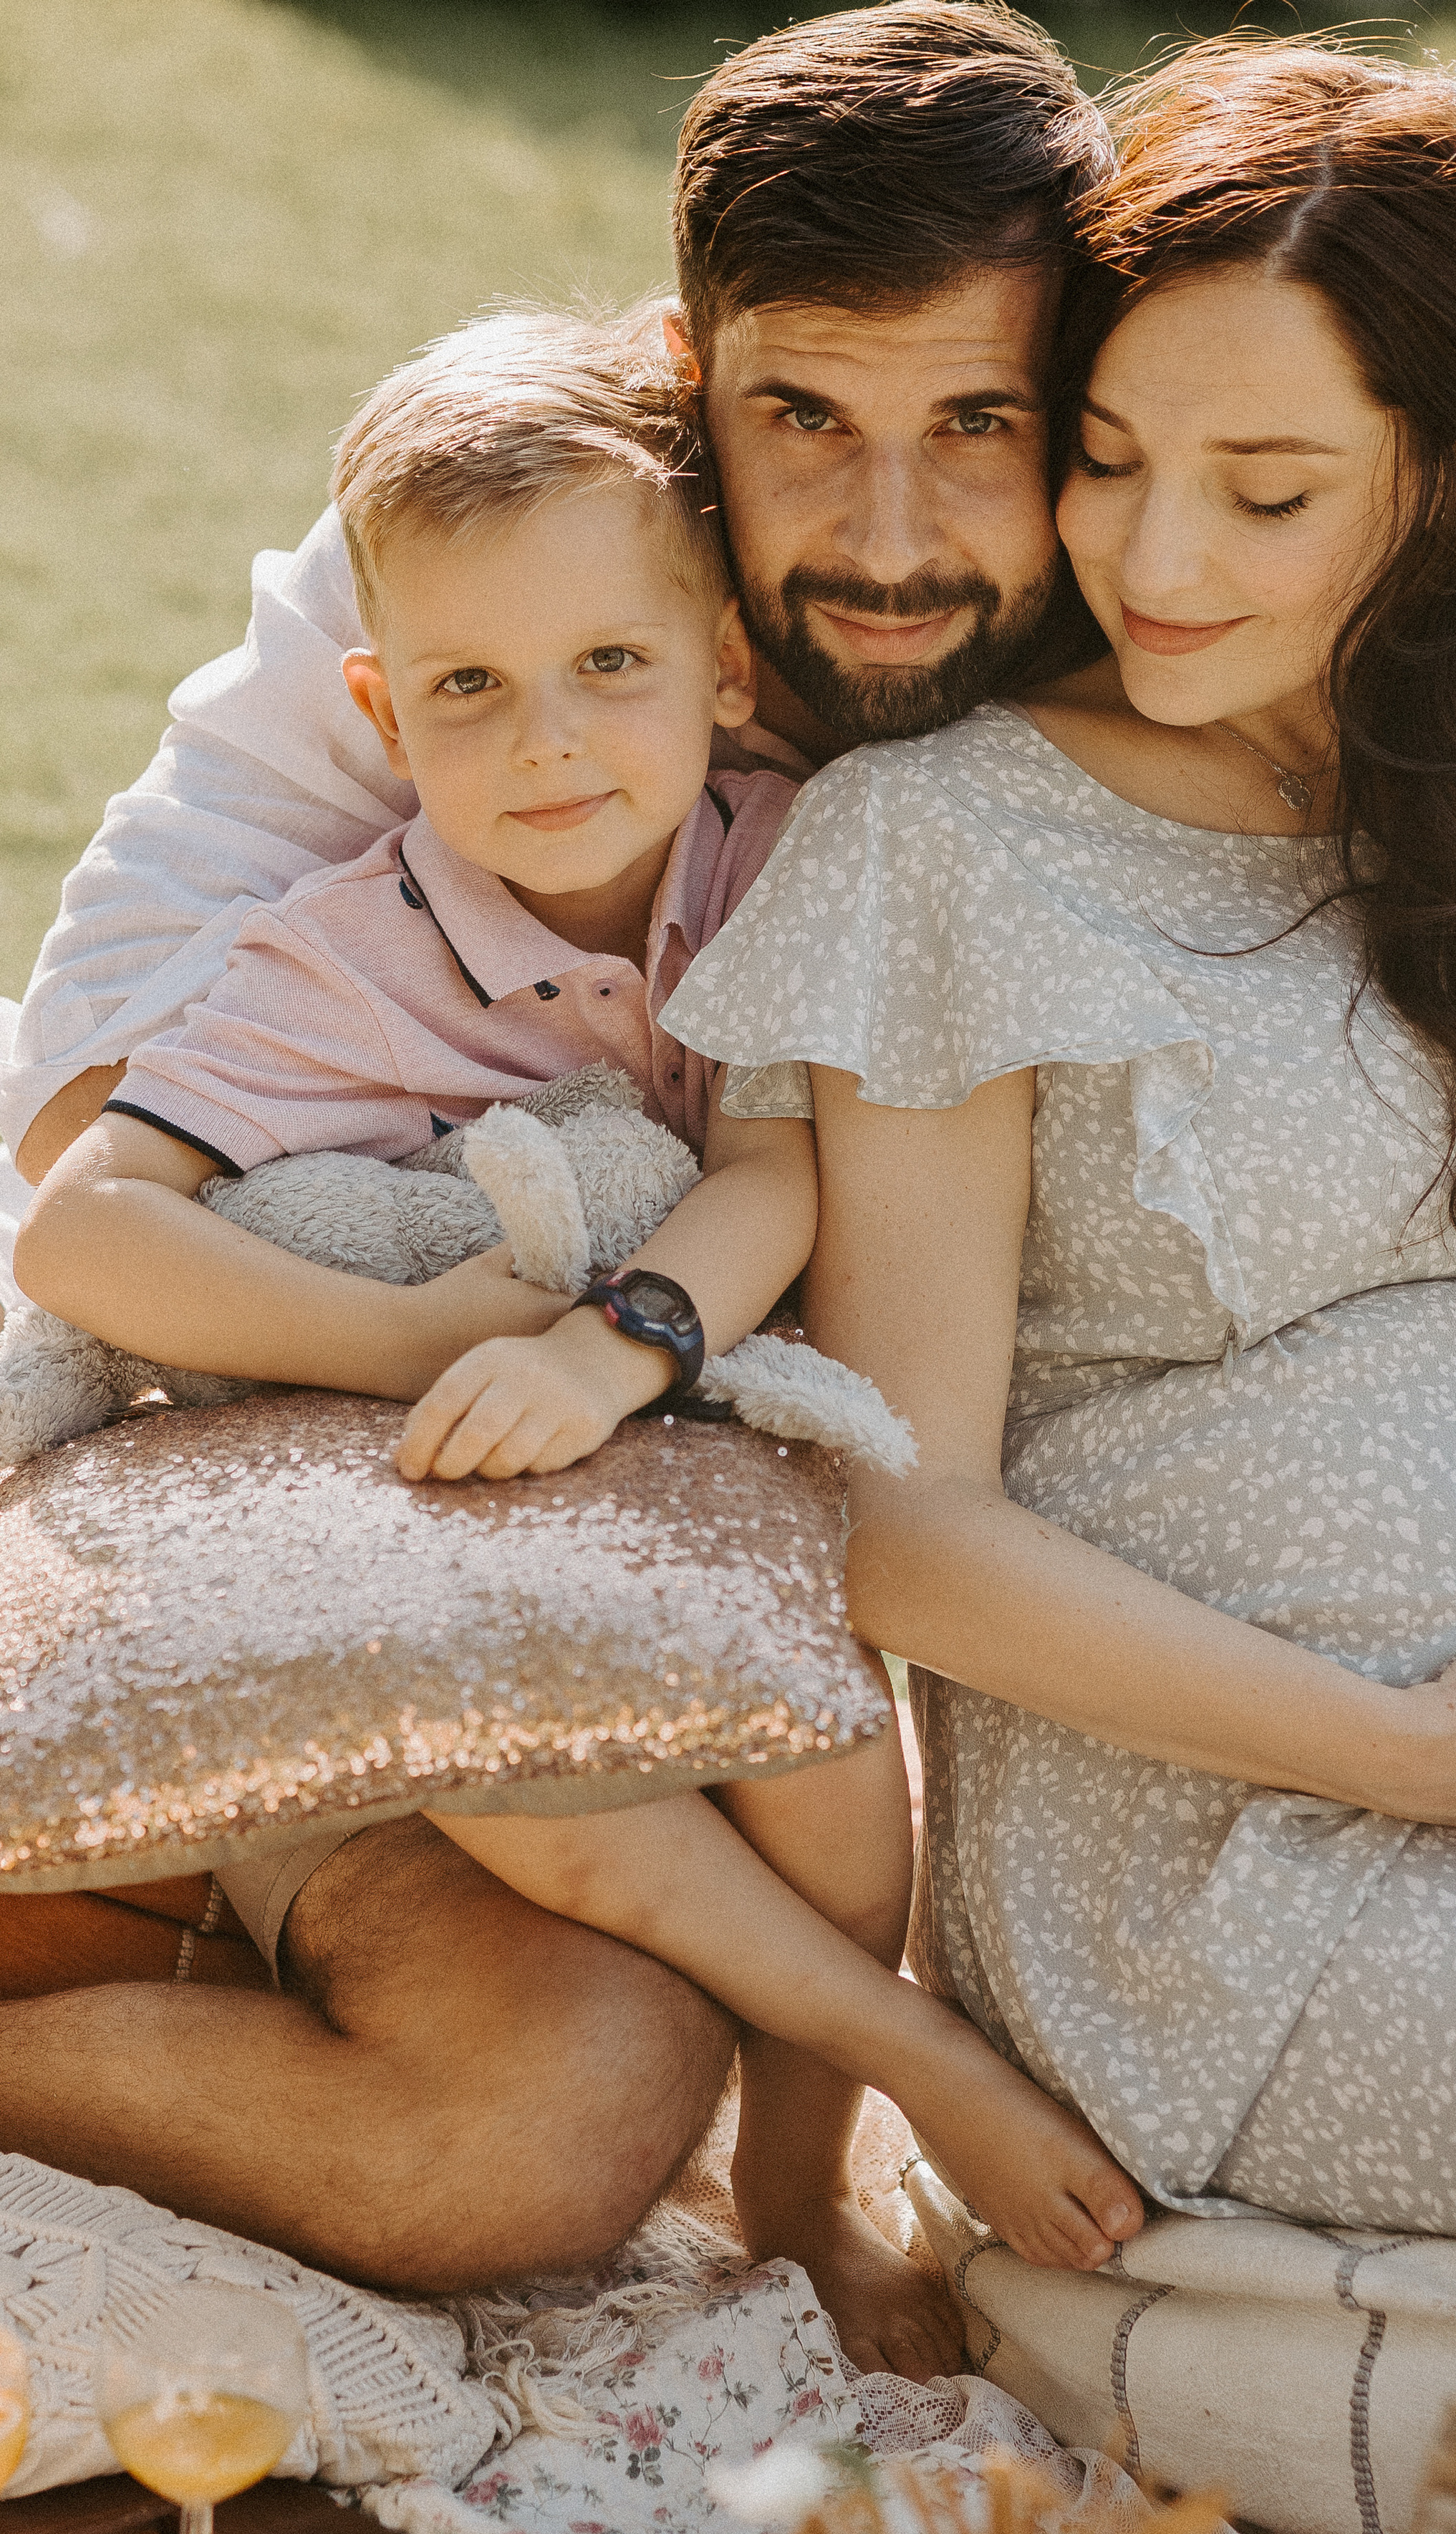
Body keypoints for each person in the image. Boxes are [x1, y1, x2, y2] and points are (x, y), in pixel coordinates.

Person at [660, 39, 1456, 2367]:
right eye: (1106, 460)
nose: (1158, 559)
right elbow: (899, 1523)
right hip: (1247, 1884)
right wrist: (1414, 1752)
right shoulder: (949, 846)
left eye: (1270, 494)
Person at [0, 2, 1110, 2334]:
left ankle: (819, 2161)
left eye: (976, 419)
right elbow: (83, 1170)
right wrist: (435, 1333)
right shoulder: (465, 601)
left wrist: (630, 1337)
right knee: (527, 2096)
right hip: (353, 1485)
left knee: (614, 2041)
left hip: (650, 1487)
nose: (888, 521)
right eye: (803, 414)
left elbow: (791, 1164)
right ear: (701, 393)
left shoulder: (838, 805)